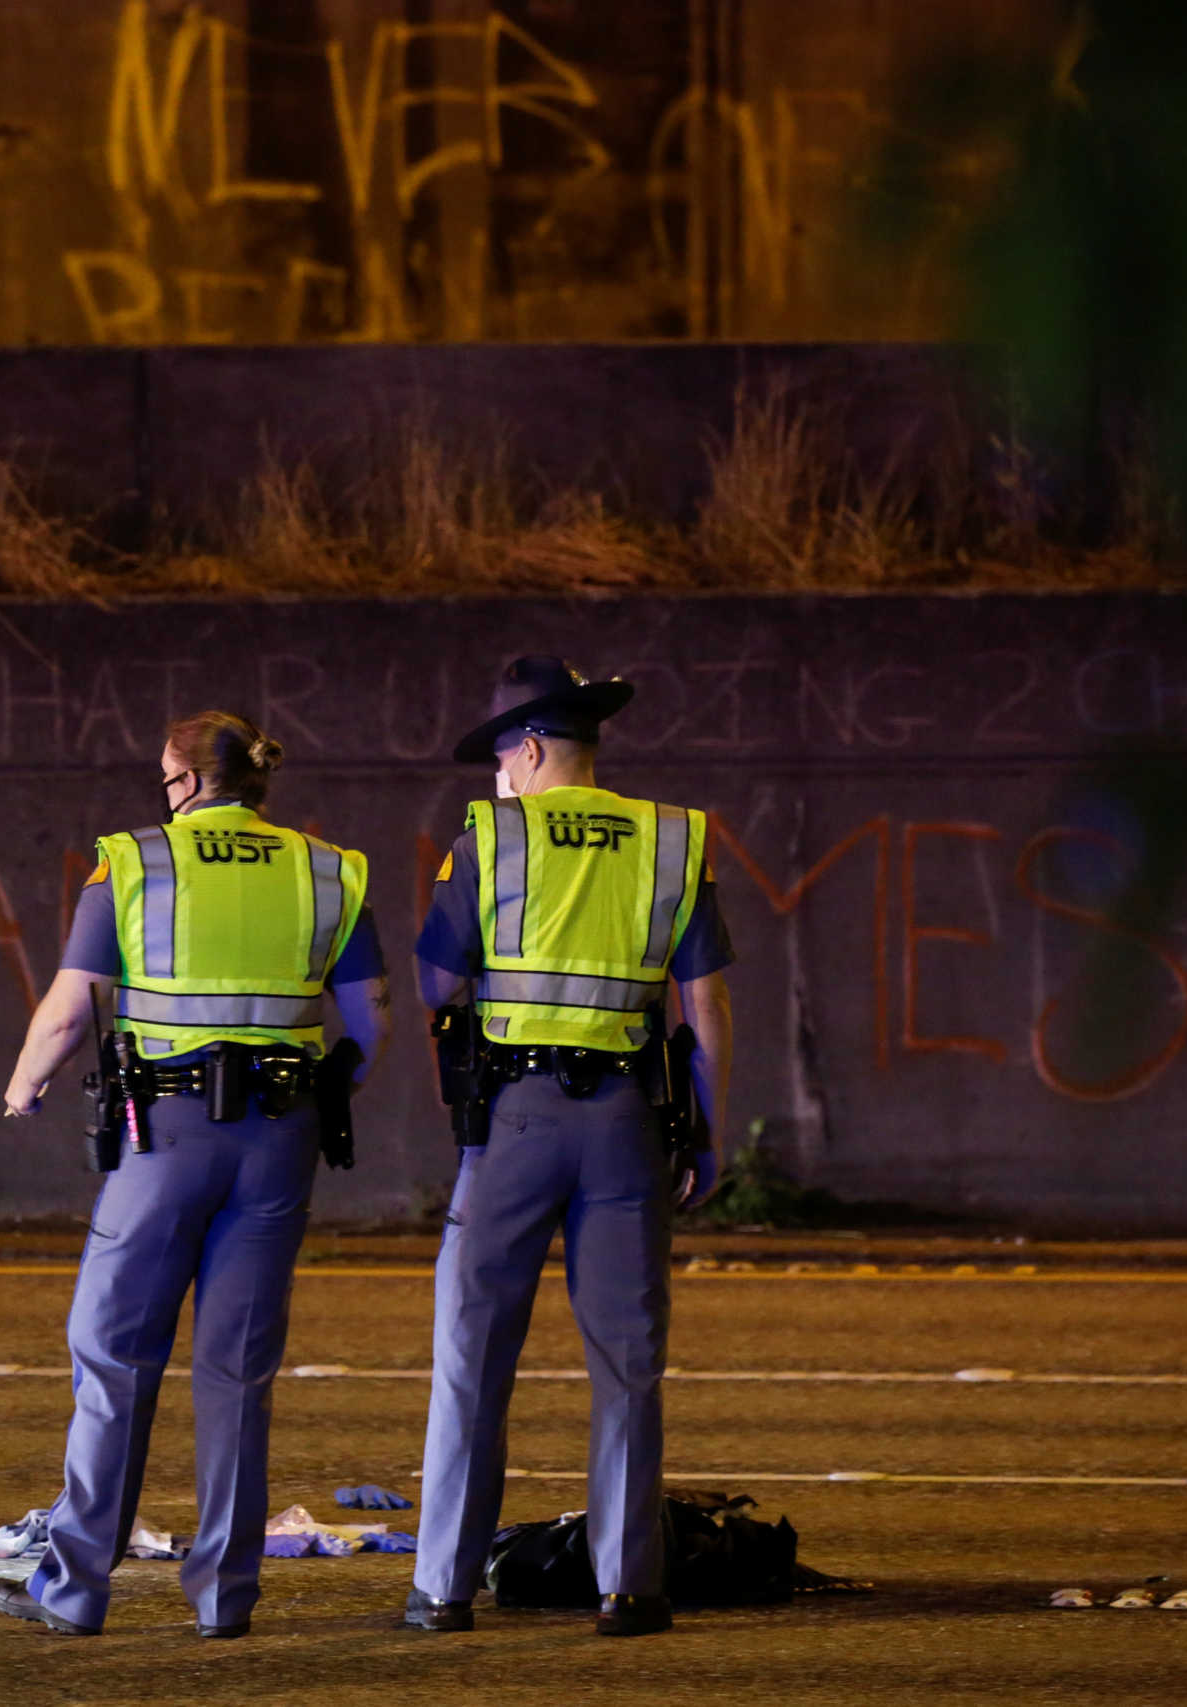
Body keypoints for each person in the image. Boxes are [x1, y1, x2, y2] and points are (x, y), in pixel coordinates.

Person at [0, 710, 393, 1640]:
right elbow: (370, 1029)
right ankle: (224, 1599)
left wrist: (23, 1086)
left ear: (182, 777)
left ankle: (77, 1587)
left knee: (113, 1351)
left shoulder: (134, 863)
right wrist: (309, 1099)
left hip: (165, 1136)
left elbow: (67, 1011)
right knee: (238, 1369)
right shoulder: (330, 869)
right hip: (280, 1138)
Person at [402, 656, 735, 1640]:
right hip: (629, 1125)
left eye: (502, 755)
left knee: (473, 1357)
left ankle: (444, 1589)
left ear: (531, 748)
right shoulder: (674, 838)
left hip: (515, 1123)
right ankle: (629, 1587)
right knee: (627, 1367)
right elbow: (706, 1005)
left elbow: (430, 987)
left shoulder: (490, 837)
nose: (498, 774)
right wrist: (706, 1130)